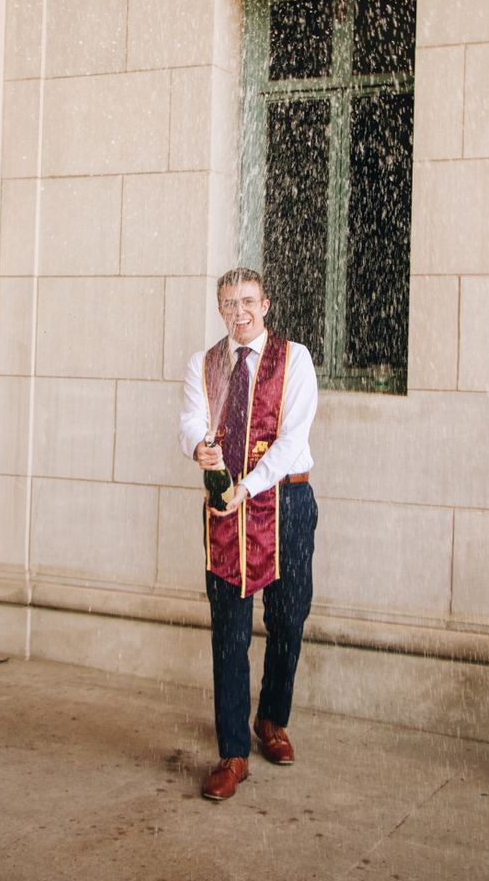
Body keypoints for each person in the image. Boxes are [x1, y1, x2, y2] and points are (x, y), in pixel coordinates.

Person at [179, 267, 319, 801]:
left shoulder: (296, 358)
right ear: (220, 309)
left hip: (287, 502)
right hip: (226, 509)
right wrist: (200, 449)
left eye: (248, 302)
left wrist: (251, 486)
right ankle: (233, 751)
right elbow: (191, 421)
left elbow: (291, 438)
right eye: (229, 304)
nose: (239, 312)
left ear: (266, 305)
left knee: (288, 617)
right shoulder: (206, 363)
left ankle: (272, 719)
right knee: (230, 629)